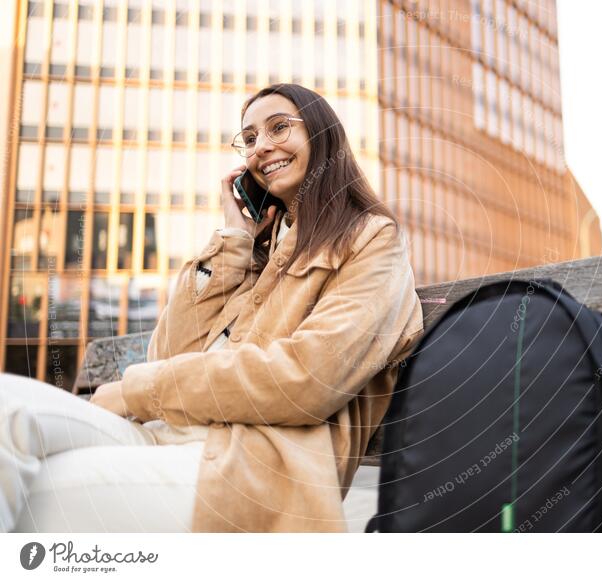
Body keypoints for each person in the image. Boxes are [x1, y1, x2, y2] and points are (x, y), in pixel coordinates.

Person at [0, 84, 424, 532]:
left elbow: (307, 378)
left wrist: (134, 392)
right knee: (6, 406)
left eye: (279, 128)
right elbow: (168, 352)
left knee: (43, 494)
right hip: (166, 436)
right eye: (250, 137)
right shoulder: (256, 253)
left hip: (250, 469)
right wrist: (233, 239)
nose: (262, 147)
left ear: (322, 136)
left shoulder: (373, 241)